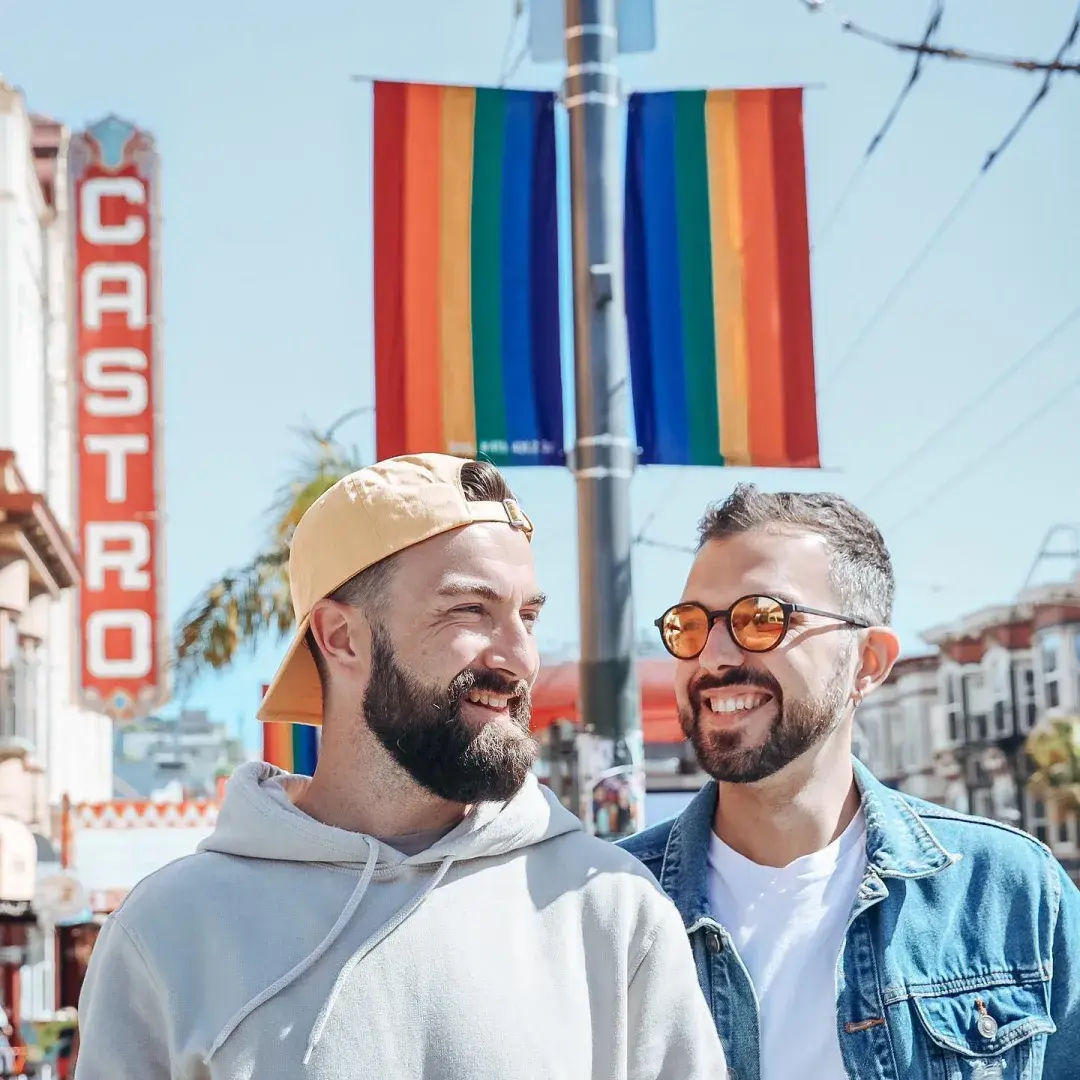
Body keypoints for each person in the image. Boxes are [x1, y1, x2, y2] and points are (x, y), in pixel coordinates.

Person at [74, 453, 727, 1079]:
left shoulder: (610, 910)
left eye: (526, 615)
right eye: (472, 610)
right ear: (341, 637)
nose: (522, 657)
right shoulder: (169, 931)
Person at [619, 483, 1080, 1080]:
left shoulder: (1010, 892)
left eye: (761, 618)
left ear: (868, 663)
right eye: (689, 626)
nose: (712, 657)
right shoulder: (611, 902)